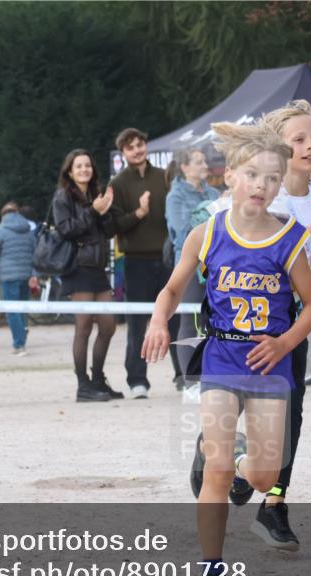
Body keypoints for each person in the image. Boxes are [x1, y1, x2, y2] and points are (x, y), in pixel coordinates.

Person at [141, 121, 311, 576]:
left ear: (281, 183)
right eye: (253, 174)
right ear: (231, 178)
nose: (262, 185)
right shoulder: (208, 233)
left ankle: (246, 461)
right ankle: (211, 573)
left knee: (263, 478)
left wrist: (285, 342)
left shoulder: (291, 239)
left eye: (271, 177)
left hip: (268, 364)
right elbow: (173, 288)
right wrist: (160, 320)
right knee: (216, 469)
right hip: (221, 358)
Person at [251, 99, 311, 550]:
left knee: (292, 411)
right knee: (250, 404)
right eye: (300, 139)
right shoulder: (262, 194)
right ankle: (227, 462)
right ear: (279, 146)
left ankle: (273, 504)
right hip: (250, 315)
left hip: (297, 316)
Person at [108, 127, 179, 398]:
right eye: (130, 147)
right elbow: (114, 226)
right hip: (135, 262)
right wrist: (138, 213)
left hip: (167, 260)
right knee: (137, 324)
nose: (137, 150)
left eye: (140, 144)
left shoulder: (164, 178)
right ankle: (137, 380)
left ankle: (183, 374)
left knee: (175, 320)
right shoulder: (117, 184)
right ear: (123, 152)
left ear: (146, 146)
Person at [51, 149, 123, 402]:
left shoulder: (98, 194)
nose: (84, 170)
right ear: (70, 171)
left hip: (98, 268)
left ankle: (98, 379)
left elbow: (110, 232)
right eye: (79, 166)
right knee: (83, 327)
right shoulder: (62, 197)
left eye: (88, 166)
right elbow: (65, 230)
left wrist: (105, 212)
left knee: (108, 325)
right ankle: (83, 386)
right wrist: (93, 211)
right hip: (77, 268)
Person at [165, 147, 221, 376]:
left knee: (214, 321)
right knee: (190, 321)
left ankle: (212, 373)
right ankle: (188, 377)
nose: (205, 166)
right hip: (189, 266)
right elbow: (181, 231)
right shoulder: (175, 196)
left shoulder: (214, 194)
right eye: (199, 162)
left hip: (215, 264)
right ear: (185, 167)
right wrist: (209, 211)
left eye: (205, 161)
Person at [0, 201, 39, 356]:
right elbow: (36, 255)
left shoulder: (0, 232)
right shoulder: (28, 231)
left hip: (8, 276)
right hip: (26, 275)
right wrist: (34, 275)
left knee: (12, 311)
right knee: (22, 308)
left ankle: (19, 345)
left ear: (3, 215)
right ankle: (22, 330)